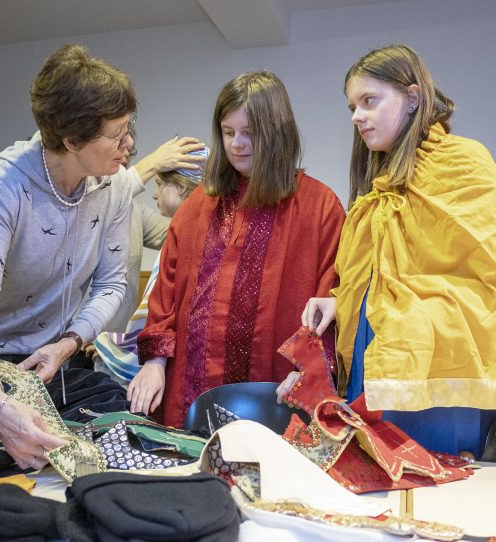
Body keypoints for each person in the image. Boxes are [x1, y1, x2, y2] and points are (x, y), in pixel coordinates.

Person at [294, 44, 496, 455]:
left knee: (435, 487)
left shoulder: (464, 162)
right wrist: (341, 300)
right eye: (352, 106)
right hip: (378, 355)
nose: (356, 116)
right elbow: (380, 268)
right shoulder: (379, 181)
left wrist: (416, 313)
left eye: (369, 101)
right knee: (379, 484)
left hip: (440, 367)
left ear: (412, 97)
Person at [0, 44, 139, 469]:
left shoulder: (117, 185)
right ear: (72, 140)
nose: (128, 144)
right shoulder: (5, 183)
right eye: (117, 134)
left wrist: (68, 344)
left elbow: (111, 283)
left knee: (26, 473)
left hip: (39, 355)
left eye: (130, 129)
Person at [128, 71, 346, 427]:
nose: (237, 144)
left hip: (278, 396)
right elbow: (165, 294)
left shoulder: (318, 207)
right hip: (189, 395)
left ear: (277, 133)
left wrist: (312, 370)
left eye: (249, 133)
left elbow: (332, 298)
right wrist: (154, 363)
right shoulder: (198, 206)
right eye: (228, 133)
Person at [93, 147, 208, 384]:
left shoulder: (187, 235)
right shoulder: (93, 204)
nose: (154, 195)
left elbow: (157, 311)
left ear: (182, 188)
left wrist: (113, 347)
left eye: (159, 184)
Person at [103, 128, 206, 333]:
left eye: (129, 151)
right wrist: (153, 162)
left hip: (117, 342)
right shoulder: (87, 203)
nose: (124, 155)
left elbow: (184, 233)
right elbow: (106, 199)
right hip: (80, 341)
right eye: (118, 146)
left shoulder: (133, 210)